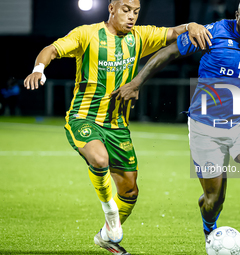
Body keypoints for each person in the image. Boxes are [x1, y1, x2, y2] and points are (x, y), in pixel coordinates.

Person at [24, 0, 212, 254]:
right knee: (99, 160)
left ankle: (105, 236)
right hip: (84, 118)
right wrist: (39, 69)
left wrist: (192, 25)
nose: (132, 16)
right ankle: (109, 210)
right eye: (126, 10)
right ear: (111, 8)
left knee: (130, 191)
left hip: (118, 126)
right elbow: (51, 49)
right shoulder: (86, 34)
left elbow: (175, 32)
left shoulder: (140, 36)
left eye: (135, 11)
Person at [112, 0, 240, 252]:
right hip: (205, 127)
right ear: (237, 16)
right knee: (214, 199)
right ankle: (210, 230)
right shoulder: (213, 33)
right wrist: (136, 82)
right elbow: (169, 52)